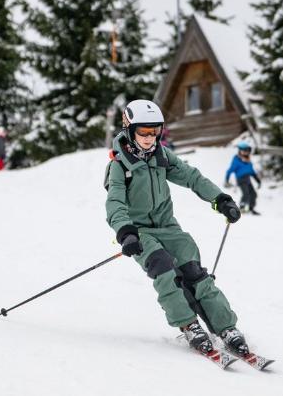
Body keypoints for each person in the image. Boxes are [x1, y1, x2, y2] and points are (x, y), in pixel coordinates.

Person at [104, 100, 249, 356]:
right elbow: (115, 202)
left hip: (168, 227)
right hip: (139, 233)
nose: (149, 138)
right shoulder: (119, 166)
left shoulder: (161, 156)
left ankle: (226, 327)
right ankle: (189, 324)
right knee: (163, 268)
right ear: (129, 129)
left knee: (193, 272)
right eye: (143, 132)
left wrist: (220, 199)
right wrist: (125, 232)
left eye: (154, 131)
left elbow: (192, 177)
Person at [224, 141, 262, 215]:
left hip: (247, 179)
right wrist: (227, 179)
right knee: (246, 194)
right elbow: (230, 170)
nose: (246, 152)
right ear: (240, 151)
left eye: (247, 151)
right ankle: (241, 208)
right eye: (244, 151)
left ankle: (251, 208)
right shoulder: (236, 160)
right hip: (241, 179)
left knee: (253, 194)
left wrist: (257, 180)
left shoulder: (248, 160)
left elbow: (251, 171)